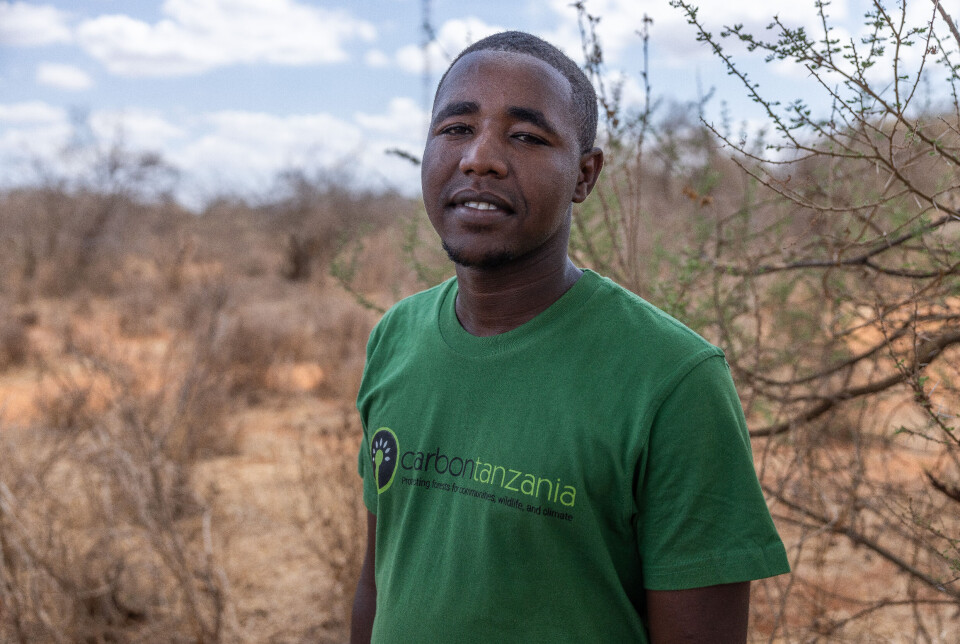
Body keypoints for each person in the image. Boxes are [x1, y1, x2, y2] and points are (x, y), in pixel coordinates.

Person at [351, 30, 789, 643]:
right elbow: (380, 579)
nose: (480, 158)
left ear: (585, 175)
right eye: (455, 129)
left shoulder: (673, 380)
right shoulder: (396, 337)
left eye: (526, 136)